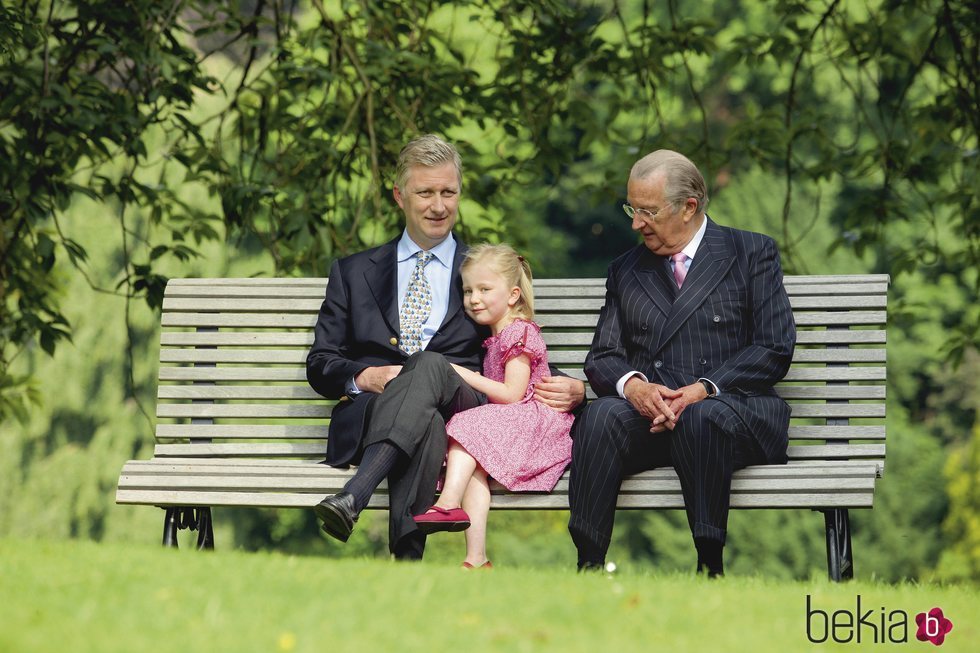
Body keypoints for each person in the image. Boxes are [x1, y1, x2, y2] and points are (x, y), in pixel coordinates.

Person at [306, 134, 585, 560]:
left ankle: (354, 496)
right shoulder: (353, 272)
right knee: (428, 419)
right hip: (373, 414)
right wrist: (366, 376)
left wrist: (576, 388)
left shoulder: (481, 274)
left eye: (448, 192)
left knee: (432, 368)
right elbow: (321, 364)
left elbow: (519, 347)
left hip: (461, 407)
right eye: (425, 193)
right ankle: (407, 565)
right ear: (400, 196)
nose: (438, 206)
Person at [568, 149, 796, 577]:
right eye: (631, 209)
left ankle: (710, 566)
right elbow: (602, 358)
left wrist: (704, 387)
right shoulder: (626, 269)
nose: (636, 224)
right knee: (598, 418)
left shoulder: (751, 252)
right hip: (655, 416)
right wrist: (635, 387)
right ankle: (589, 565)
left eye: (648, 212)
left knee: (702, 418)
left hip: (736, 409)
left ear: (689, 207)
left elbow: (774, 347)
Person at [411, 244, 575, 569]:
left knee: (465, 425)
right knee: (474, 464)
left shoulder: (519, 333)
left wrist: (463, 374)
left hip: (535, 423)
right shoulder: (496, 338)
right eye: (468, 290)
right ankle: (476, 559)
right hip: (517, 420)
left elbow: (514, 394)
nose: (474, 299)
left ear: (513, 295)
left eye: (485, 289)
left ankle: (447, 503)